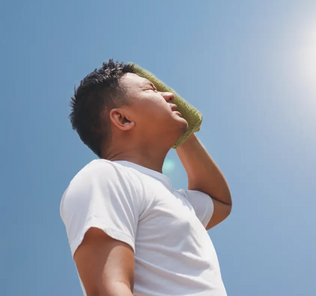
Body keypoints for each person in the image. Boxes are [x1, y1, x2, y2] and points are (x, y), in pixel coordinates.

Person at [60, 59, 232, 296]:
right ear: (122, 119)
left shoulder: (174, 199)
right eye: (151, 90)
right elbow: (107, 289)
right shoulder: (106, 177)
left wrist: (182, 126)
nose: (170, 95)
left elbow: (220, 202)